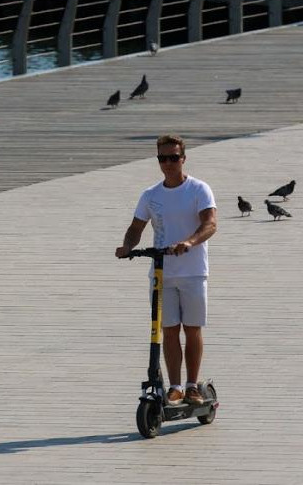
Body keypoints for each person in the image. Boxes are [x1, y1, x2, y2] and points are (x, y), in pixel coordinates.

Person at [115, 135, 217, 406]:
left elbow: (210, 224)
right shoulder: (151, 195)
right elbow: (136, 228)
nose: (168, 163)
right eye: (163, 158)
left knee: (192, 329)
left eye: (174, 157)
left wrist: (190, 242)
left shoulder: (198, 189)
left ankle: (192, 385)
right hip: (162, 273)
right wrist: (126, 246)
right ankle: (174, 387)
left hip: (193, 271)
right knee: (168, 330)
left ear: (183, 159)